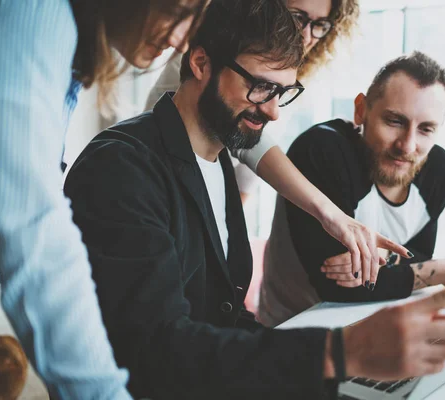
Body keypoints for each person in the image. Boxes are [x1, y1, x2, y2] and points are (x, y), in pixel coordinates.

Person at [64, 2, 445, 398]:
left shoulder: (217, 161)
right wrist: (338, 352)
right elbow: (159, 351)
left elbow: (223, 321)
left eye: (283, 92)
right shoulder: (121, 170)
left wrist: (334, 369)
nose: (273, 113)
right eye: (261, 87)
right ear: (199, 63)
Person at [0, 0, 208, 397]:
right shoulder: (30, 11)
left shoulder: (61, 39)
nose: (181, 39)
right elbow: (36, 240)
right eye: (174, 7)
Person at [145, 0, 395, 285]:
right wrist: (331, 214)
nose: (307, 35)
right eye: (298, 17)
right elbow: (239, 138)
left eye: (319, 25)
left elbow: (241, 181)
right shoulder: (212, 58)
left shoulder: (281, 80)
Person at [258, 52, 445, 327]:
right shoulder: (322, 151)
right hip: (295, 331)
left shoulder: (438, 168)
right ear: (361, 110)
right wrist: (443, 270)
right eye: (395, 121)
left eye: (426, 129)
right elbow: (337, 286)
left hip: (380, 327)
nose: (407, 146)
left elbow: (420, 254)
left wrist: (387, 257)